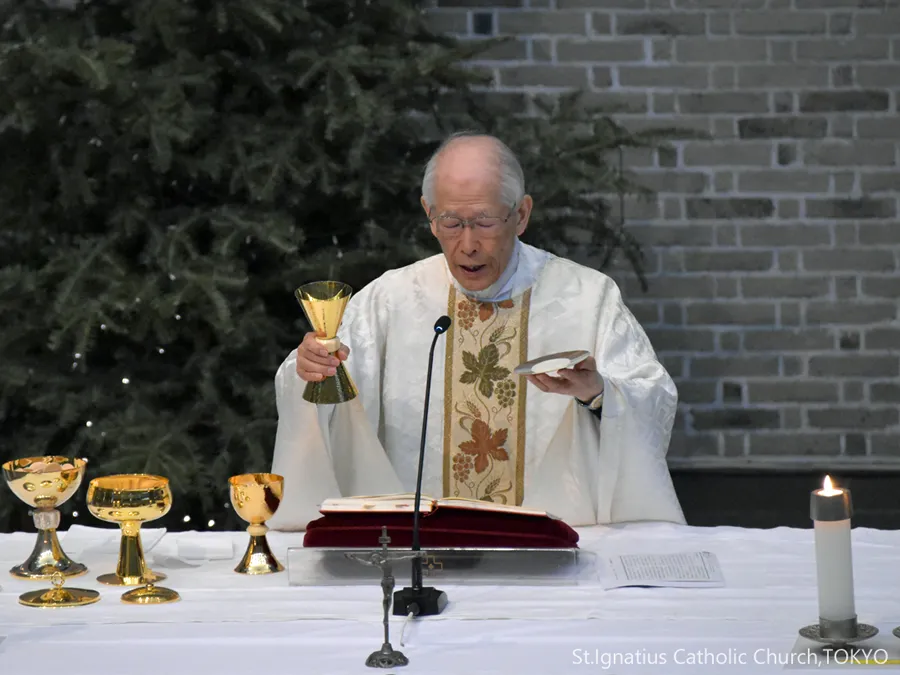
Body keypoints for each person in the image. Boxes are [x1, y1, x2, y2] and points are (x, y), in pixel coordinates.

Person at [267, 132, 685, 531]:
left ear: (521, 215)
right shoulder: (390, 300)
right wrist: (311, 366)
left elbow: (651, 398)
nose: (467, 244)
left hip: (549, 548)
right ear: (429, 215)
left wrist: (598, 394)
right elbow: (316, 394)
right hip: (420, 547)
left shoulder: (587, 298)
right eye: (451, 222)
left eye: (484, 222)